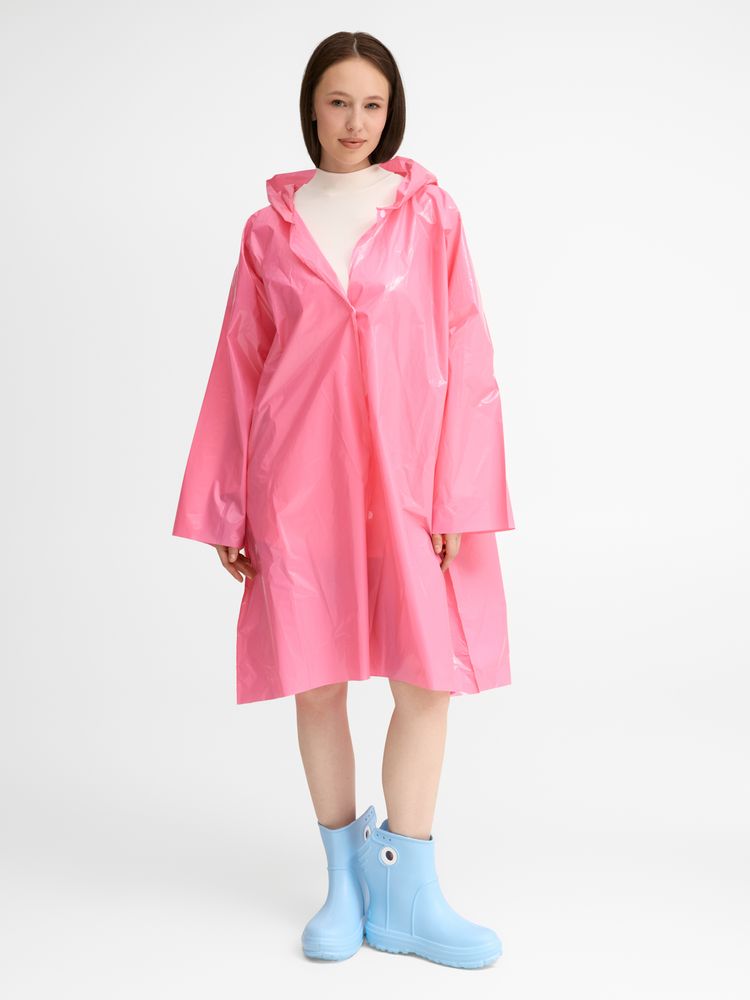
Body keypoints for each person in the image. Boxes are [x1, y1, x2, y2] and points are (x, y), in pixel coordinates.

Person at [172, 30, 515, 969]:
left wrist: (458, 496)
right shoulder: (269, 232)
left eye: (372, 104)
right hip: (297, 488)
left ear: (390, 111)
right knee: (318, 681)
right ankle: (344, 883)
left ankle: (410, 888)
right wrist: (228, 505)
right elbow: (240, 368)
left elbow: (468, 354)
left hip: (407, 488)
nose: (356, 121)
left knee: (425, 678)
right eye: (338, 101)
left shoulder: (429, 216)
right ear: (311, 109)